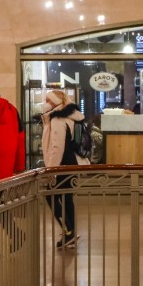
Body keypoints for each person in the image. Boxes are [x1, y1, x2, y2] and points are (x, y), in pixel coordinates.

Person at [41, 89, 88, 249]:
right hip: (73, 163)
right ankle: (71, 231)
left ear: (56, 103)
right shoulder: (72, 116)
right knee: (67, 197)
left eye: (48, 100)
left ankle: (68, 231)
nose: (45, 103)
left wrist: (51, 170)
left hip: (62, 165)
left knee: (51, 196)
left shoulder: (58, 119)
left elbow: (57, 147)